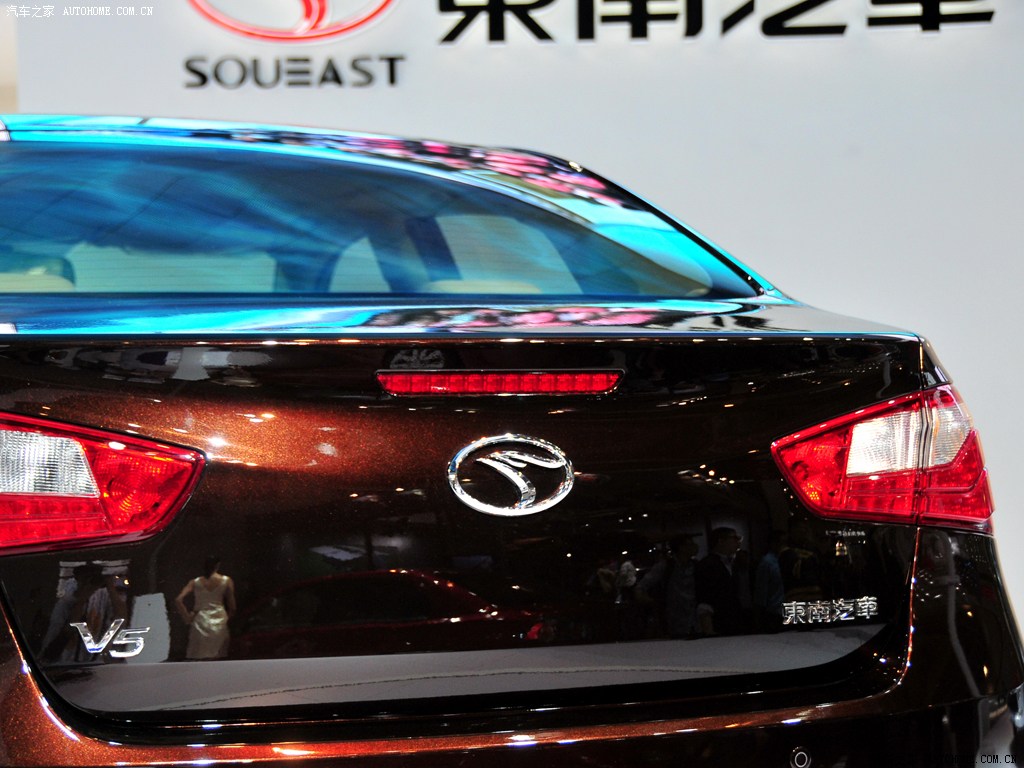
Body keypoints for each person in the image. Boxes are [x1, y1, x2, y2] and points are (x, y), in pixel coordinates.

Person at [176, 556, 235, 660]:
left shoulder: (195, 582)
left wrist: (187, 617)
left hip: (200, 620)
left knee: (200, 656)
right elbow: (232, 607)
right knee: (218, 656)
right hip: (220, 620)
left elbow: (178, 599)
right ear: (218, 565)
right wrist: (228, 620)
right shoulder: (226, 581)